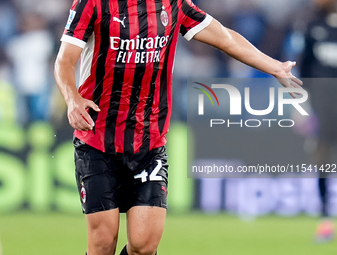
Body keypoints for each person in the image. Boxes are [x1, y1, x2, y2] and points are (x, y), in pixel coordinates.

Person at [54, 0, 303, 254]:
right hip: (97, 139)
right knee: (103, 244)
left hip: (149, 143)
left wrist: (274, 67)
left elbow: (225, 37)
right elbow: (64, 61)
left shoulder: (173, 4)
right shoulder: (93, 3)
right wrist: (72, 99)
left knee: (144, 246)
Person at [292, 0, 337, 243]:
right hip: (322, 109)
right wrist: (301, 107)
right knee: (323, 161)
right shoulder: (311, 26)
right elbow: (303, 70)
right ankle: (325, 220)